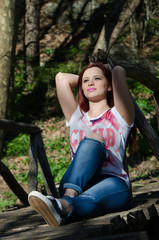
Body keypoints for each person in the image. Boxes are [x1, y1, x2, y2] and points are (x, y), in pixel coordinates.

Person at [28, 61, 135, 227]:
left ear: (109, 86)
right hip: (76, 181)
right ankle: (66, 200)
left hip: (112, 182)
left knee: (92, 196)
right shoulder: (76, 117)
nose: (90, 83)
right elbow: (61, 78)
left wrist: (99, 78)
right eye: (86, 81)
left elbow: (119, 71)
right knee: (93, 140)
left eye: (97, 79)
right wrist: (91, 82)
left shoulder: (119, 117)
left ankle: (62, 205)